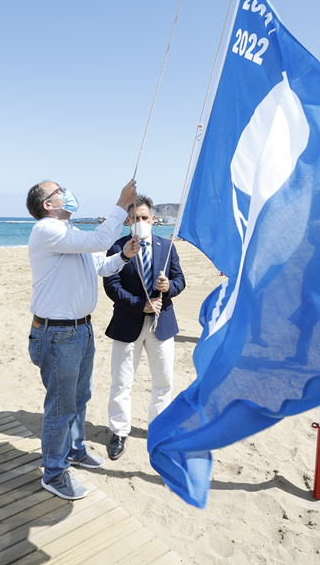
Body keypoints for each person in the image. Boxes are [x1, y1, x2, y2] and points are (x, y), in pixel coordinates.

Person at [26, 179, 140, 501]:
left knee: (80, 397)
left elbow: (101, 265)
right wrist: (121, 202)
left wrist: (125, 256)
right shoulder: (48, 230)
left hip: (80, 329)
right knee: (61, 406)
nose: (66, 191)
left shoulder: (71, 235)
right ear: (48, 205)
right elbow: (103, 238)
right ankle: (54, 472)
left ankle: (74, 450)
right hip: (57, 333)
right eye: (58, 190)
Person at [102, 195, 186, 460]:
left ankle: (158, 429)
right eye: (135, 218)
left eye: (144, 217)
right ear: (128, 221)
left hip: (162, 325)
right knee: (121, 382)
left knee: (163, 382)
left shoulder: (167, 246)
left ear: (153, 219)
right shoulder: (117, 247)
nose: (140, 222)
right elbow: (111, 285)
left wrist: (168, 288)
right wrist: (141, 305)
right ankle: (119, 432)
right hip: (128, 323)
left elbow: (179, 280)